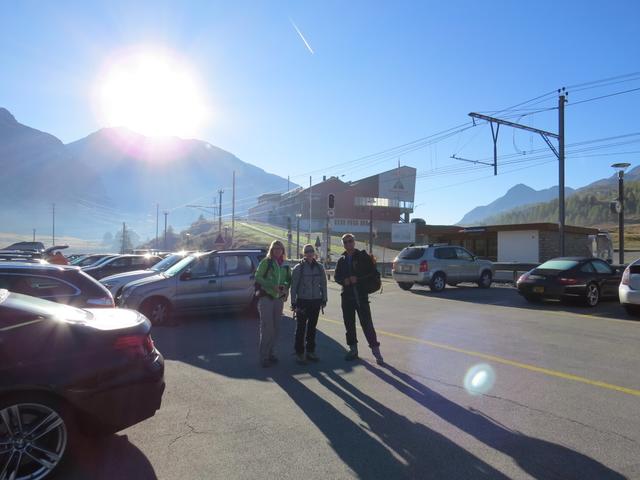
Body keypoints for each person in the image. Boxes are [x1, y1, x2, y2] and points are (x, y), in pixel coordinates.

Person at [334, 233, 383, 364]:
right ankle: (353, 350)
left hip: (361, 296)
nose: (348, 244)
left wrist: (358, 279)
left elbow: (373, 273)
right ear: (343, 244)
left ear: (354, 242)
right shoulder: (341, 260)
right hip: (347, 297)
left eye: (350, 241)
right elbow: (337, 276)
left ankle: (376, 351)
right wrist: (344, 281)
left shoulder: (363, 257)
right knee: (349, 325)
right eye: (345, 242)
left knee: (367, 324)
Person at [255, 240, 291, 368]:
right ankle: (263, 356)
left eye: (280, 248)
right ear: (271, 250)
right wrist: (272, 285)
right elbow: (258, 277)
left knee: (276, 328)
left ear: (283, 250)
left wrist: (285, 288)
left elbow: (288, 280)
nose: (277, 250)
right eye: (275, 248)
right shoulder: (266, 262)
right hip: (266, 298)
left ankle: (271, 353)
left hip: (278, 299)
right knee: (267, 328)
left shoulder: (285, 265)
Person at [290, 244, 327, 364]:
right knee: (301, 328)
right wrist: (293, 302)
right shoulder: (298, 268)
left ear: (314, 253)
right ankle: (299, 353)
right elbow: (294, 287)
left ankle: (311, 351)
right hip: (302, 301)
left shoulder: (320, 267)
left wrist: (324, 299)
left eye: (311, 251)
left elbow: (323, 284)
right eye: (307, 251)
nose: (310, 253)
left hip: (316, 301)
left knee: (312, 328)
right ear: (304, 253)